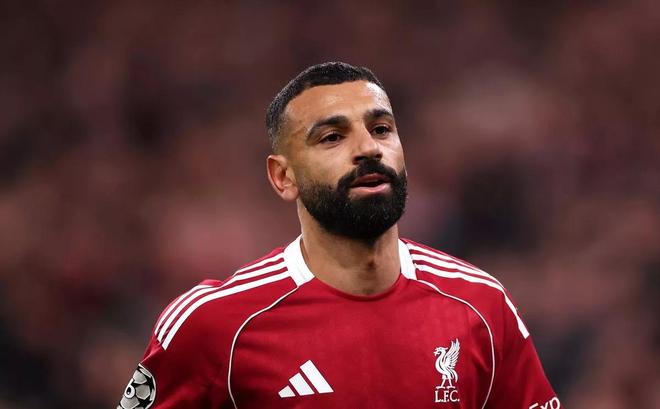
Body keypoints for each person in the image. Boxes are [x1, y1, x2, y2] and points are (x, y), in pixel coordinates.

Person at [118, 62, 560, 409]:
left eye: (381, 129)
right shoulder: (215, 325)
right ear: (283, 177)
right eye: (332, 137)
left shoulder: (480, 305)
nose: (368, 148)